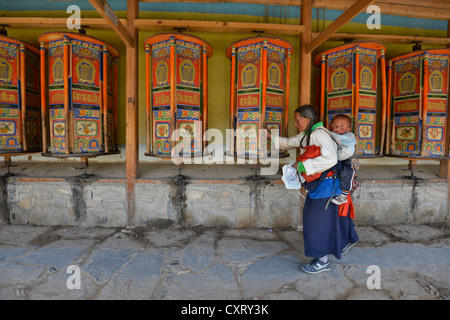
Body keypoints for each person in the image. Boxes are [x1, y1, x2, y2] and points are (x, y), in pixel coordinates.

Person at [267, 105, 356, 274]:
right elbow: (291, 142)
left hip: (326, 186)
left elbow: (329, 159)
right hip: (319, 186)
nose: (295, 123)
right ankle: (327, 252)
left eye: (298, 119)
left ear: (307, 119)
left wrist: (301, 164)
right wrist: (271, 137)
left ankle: (322, 261)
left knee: (317, 222)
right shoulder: (309, 134)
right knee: (318, 220)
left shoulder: (318, 134)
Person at [328, 114, 358, 206]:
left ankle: (344, 195)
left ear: (348, 129)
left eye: (341, 126)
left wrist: (327, 133)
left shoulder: (348, 136)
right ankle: (352, 182)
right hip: (339, 159)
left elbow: (345, 150)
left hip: (349, 160)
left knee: (346, 173)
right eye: (335, 126)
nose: (337, 128)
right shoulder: (333, 135)